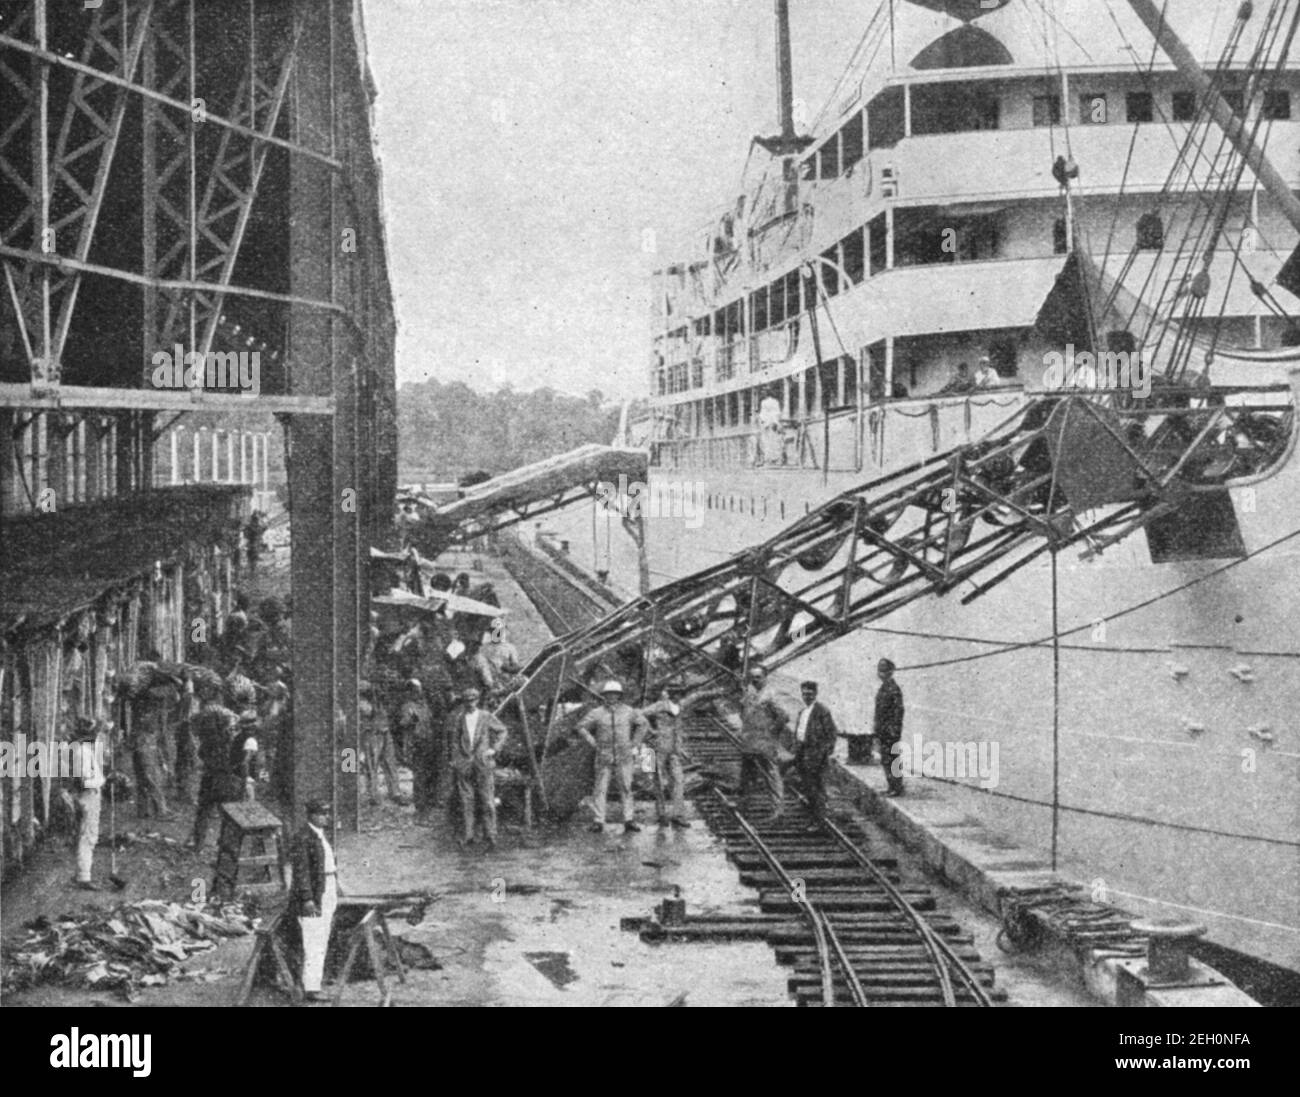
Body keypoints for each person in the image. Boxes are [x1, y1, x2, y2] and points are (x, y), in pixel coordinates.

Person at [287, 799, 344, 1001]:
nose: (326, 817)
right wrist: (307, 898)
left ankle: (315, 982)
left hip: (327, 889)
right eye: (321, 814)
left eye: (327, 813)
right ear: (310, 815)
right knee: (314, 940)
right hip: (314, 896)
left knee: (322, 937)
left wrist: (336, 885)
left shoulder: (320, 836)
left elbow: (328, 866)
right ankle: (311, 988)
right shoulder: (303, 838)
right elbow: (301, 872)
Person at [576, 680, 649, 834]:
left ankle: (629, 820)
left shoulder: (629, 711)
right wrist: (593, 743)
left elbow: (643, 724)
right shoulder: (597, 713)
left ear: (619, 696)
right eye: (608, 694)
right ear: (604, 696)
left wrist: (634, 743)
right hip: (604, 755)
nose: (611, 697)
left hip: (624, 755)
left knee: (626, 788)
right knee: (600, 789)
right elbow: (581, 727)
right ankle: (598, 821)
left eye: (614, 694)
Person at [447, 686, 509, 849]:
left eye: (473, 700)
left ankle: (491, 837)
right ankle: (468, 836)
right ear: (464, 702)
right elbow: (454, 741)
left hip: (483, 762)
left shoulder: (486, 716)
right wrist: (456, 759)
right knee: (466, 800)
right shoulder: (460, 718)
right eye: (468, 701)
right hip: (465, 764)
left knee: (487, 800)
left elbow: (502, 731)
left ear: (478, 700)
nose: (471, 704)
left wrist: (494, 749)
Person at [190, 681, 239, 850]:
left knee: (203, 811)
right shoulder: (228, 726)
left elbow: (200, 752)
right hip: (225, 775)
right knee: (229, 814)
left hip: (209, 775)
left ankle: (198, 844)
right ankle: (226, 846)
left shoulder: (202, 720)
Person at [738, 664, 791, 819]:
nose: (754, 680)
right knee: (747, 774)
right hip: (750, 740)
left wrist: (772, 732)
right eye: (752, 677)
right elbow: (744, 711)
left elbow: (784, 716)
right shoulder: (750, 692)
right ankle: (743, 805)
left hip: (765, 742)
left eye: (758, 677)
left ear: (765, 677)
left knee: (771, 775)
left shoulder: (770, 694)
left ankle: (777, 808)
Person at [640, 686, 690, 829]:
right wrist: (651, 731)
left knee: (679, 780)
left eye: (677, 693)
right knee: (658, 781)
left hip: (673, 750)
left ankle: (678, 815)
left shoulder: (678, 707)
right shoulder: (659, 706)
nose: (674, 696)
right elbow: (640, 715)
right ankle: (661, 814)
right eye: (671, 693)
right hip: (657, 748)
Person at [793, 681, 840, 829]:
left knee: (815, 789)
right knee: (808, 788)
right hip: (803, 753)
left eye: (810, 694)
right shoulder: (803, 711)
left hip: (815, 756)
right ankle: (814, 818)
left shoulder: (822, 711)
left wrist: (823, 753)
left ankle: (818, 821)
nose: (807, 697)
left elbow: (832, 733)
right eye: (805, 694)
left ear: (815, 694)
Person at [70, 717, 106, 890]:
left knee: (85, 834)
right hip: (88, 794)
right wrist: (102, 782)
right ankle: (84, 876)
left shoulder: (82, 749)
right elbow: (83, 780)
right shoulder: (82, 752)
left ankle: (82, 873)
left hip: (88, 794)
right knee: (88, 836)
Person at [395, 680, 437, 821]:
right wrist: (411, 721)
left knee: (429, 776)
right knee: (420, 778)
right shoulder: (408, 706)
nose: (419, 692)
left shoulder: (424, 705)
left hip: (428, 742)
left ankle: (428, 808)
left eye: (419, 689)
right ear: (411, 692)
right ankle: (421, 812)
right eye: (416, 690)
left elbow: (430, 720)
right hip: (416, 744)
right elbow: (402, 723)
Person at [361, 688, 399, 806]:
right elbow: (367, 712)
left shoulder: (379, 703)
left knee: (390, 763)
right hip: (372, 733)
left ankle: (395, 793)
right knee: (372, 765)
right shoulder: (363, 702)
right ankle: (373, 795)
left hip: (384, 731)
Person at [874, 658, 906, 796]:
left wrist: (893, 730)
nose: (881, 673)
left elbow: (899, 711)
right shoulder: (884, 687)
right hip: (883, 730)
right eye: (880, 670)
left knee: (892, 759)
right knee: (887, 759)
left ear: (891, 672)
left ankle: (896, 787)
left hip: (890, 731)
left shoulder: (893, 688)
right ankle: (891, 786)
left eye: (884, 670)